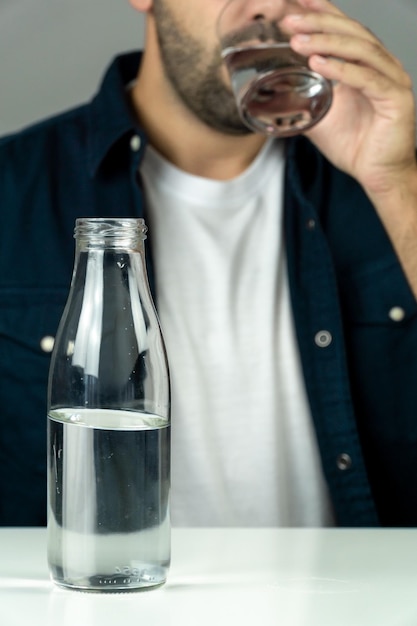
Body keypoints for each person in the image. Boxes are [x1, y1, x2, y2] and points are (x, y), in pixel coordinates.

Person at [0, 0, 416, 528]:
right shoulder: (13, 192)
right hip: (96, 608)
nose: (270, 5)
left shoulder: (388, 181)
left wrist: (397, 181)